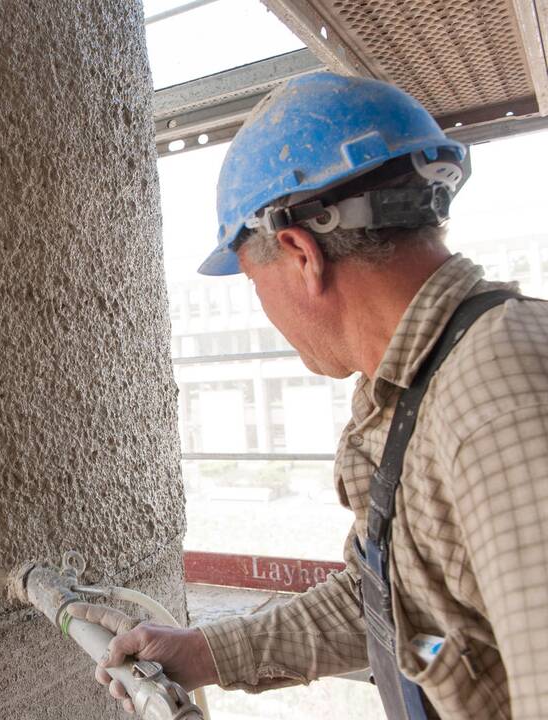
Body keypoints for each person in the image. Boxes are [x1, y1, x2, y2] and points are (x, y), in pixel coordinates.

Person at [70, 72, 548, 720]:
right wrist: (205, 652)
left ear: (300, 252)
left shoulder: (499, 403)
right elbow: (388, 601)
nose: (263, 306)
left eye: (251, 278)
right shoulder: (424, 386)